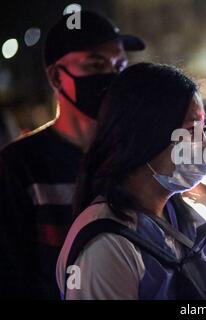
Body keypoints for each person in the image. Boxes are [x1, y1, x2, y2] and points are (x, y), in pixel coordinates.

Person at [0, 11, 145, 299]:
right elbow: (10, 274)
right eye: (96, 64)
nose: (112, 77)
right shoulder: (19, 165)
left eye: (119, 65)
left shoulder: (134, 157)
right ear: (56, 76)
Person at [56, 63, 206, 299]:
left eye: (204, 127)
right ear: (145, 135)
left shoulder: (194, 227)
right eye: (190, 130)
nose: (204, 143)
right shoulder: (107, 246)